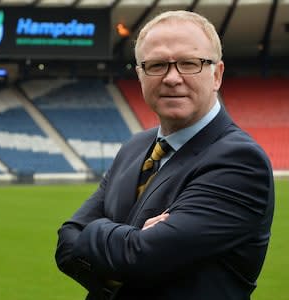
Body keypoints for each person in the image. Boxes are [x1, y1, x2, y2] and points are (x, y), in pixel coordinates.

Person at [55, 10, 274, 300]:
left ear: (217, 75)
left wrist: (96, 235)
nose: (172, 78)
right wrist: (132, 240)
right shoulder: (134, 147)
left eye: (189, 63)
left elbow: (141, 257)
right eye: (156, 65)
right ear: (140, 76)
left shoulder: (240, 161)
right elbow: (66, 243)